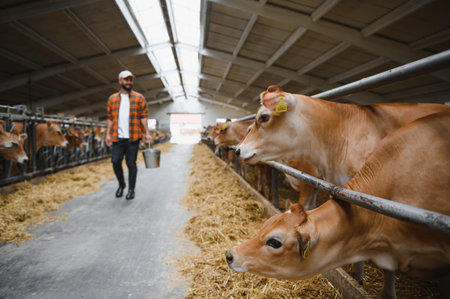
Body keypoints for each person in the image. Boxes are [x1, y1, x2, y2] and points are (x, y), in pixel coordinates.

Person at [105, 70, 152, 200]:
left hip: (133, 137)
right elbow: (109, 118)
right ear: (120, 81)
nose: (129, 82)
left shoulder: (139, 98)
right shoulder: (112, 98)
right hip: (117, 137)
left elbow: (143, 117)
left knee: (131, 163)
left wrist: (147, 133)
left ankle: (131, 190)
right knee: (115, 162)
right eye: (126, 80)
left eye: (131, 80)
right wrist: (107, 134)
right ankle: (121, 185)